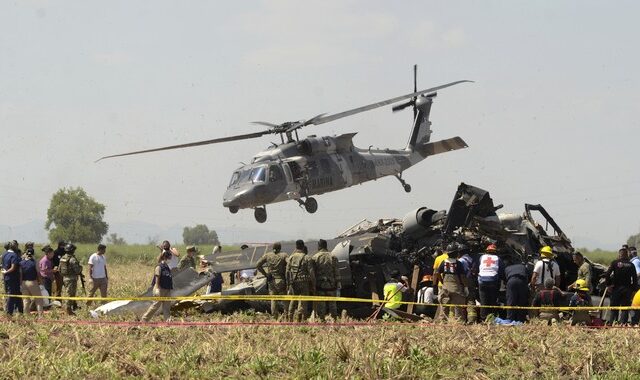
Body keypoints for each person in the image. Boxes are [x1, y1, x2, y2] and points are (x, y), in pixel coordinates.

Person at [433, 244, 468, 322]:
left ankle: (443, 322)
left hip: (445, 287)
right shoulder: (458, 263)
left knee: (444, 306)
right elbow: (462, 277)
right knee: (458, 306)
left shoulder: (443, 262)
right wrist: (465, 287)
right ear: (456, 253)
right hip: (456, 288)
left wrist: (441, 281)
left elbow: (436, 273)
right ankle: (459, 323)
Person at [604, 248, 637, 325]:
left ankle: (612, 323)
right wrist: (633, 288)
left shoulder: (614, 263)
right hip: (627, 289)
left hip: (616, 288)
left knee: (614, 307)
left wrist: (608, 285)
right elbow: (634, 278)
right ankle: (622, 324)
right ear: (627, 255)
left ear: (619, 254)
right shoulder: (631, 265)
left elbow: (607, 274)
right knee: (625, 308)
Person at [255, 242, 289, 318]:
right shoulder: (284, 255)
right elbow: (289, 263)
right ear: (280, 248)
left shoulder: (267, 255)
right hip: (281, 280)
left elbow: (258, 264)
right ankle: (287, 316)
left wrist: (265, 274)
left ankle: (275, 317)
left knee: (273, 300)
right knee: (285, 300)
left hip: (271, 281)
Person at [286, 240, 315, 322]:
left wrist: (288, 284)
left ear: (296, 247)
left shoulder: (291, 257)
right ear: (303, 246)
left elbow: (287, 271)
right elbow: (311, 272)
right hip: (304, 282)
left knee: (293, 299)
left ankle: (290, 318)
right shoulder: (306, 257)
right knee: (303, 301)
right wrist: (313, 283)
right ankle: (301, 318)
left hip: (293, 282)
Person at [311, 239, 340, 320]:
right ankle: (334, 320)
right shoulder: (333, 256)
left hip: (320, 285)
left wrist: (313, 284)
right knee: (332, 304)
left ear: (319, 246)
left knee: (321, 304)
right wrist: (338, 283)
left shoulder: (315, 257)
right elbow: (336, 271)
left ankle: (322, 320)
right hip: (331, 284)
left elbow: (313, 272)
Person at [142, 251, 174, 321]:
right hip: (160, 289)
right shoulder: (159, 267)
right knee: (155, 306)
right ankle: (144, 319)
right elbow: (157, 278)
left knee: (167, 306)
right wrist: (157, 289)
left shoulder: (167, 267)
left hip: (167, 289)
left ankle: (168, 320)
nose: (170, 260)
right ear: (165, 258)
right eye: (170, 258)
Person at [477, 244, 504, 321]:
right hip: (493, 280)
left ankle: (483, 319)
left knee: (483, 300)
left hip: (482, 280)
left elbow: (479, 267)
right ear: (495, 251)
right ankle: (493, 318)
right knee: (493, 300)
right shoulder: (497, 258)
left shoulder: (482, 257)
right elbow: (501, 271)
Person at [59, 243, 83, 315]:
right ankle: (68, 310)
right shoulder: (72, 259)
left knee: (68, 293)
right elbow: (77, 270)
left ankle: (69, 308)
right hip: (71, 279)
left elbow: (59, 269)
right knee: (70, 294)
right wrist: (81, 268)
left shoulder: (63, 258)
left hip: (65, 278)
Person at [2, 241, 23, 316]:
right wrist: (6, 272)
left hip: (6, 278)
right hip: (13, 278)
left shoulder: (4, 254)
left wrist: (5, 272)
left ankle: (20, 311)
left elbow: (3, 265)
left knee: (15, 294)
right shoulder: (14, 255)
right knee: (12, 295)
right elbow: (13, 267)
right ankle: (9, 313)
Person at [20, 249, 43, 316]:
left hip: (24, 283)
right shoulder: (35, 262)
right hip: (32, 282)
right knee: (38, 300)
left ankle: (26, 315)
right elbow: (38, 274)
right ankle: (40, 316)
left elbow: (20, 274)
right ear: (33, 254)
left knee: (26, 300)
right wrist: (41, 284)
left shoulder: (21, 263)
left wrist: (20, 284)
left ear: (26, 254)